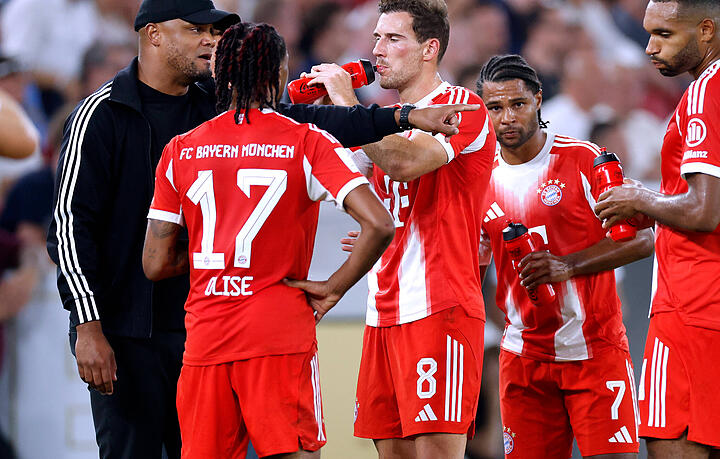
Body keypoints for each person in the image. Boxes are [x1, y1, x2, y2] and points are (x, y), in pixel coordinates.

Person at [45, 0, 479, 457]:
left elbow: (155, 262)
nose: (208, 41)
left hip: (200, 329)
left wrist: (400, 116)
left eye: (214, 33)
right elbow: (69, 228)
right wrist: (87, 325)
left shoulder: (192, 136)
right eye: (195, 30)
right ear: (153, 34)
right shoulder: (103, 113)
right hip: (142, 332)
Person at [142, 22, 394, 458]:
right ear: (279, 74)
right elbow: (379, 224)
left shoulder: (181, 149)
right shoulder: (306, 140)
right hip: (278, 333)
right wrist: (333, 289)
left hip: (207, 338)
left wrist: (217, 250)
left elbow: (155, 262)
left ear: (220, 74)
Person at [595, 0, 720, 457]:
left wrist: (638, 197)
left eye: (664, 34)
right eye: (649, 33)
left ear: (706, 30)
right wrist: (652, 206)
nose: (649, 47)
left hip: (696, 312)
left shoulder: (707, 92)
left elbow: (704, 212)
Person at [306, 1, 497, 457]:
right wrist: (315, 121)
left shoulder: (461, 107)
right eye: (376, 37)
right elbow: (328, 183)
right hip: (382, 312)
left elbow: (405, 162)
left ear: (429, 49)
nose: (377, 50)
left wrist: (349, 107)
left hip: (439, 307)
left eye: (393, 39)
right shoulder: (385, 122)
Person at [476, 54, 652, 459]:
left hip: (595, 351)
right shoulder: (478, 178)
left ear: (538, 100)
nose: (507, 118)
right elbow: (473, 265)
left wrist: (566, 266)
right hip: (523, 359)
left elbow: (643, 239)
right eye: (495, 107)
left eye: (518, 104)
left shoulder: (584, 160)